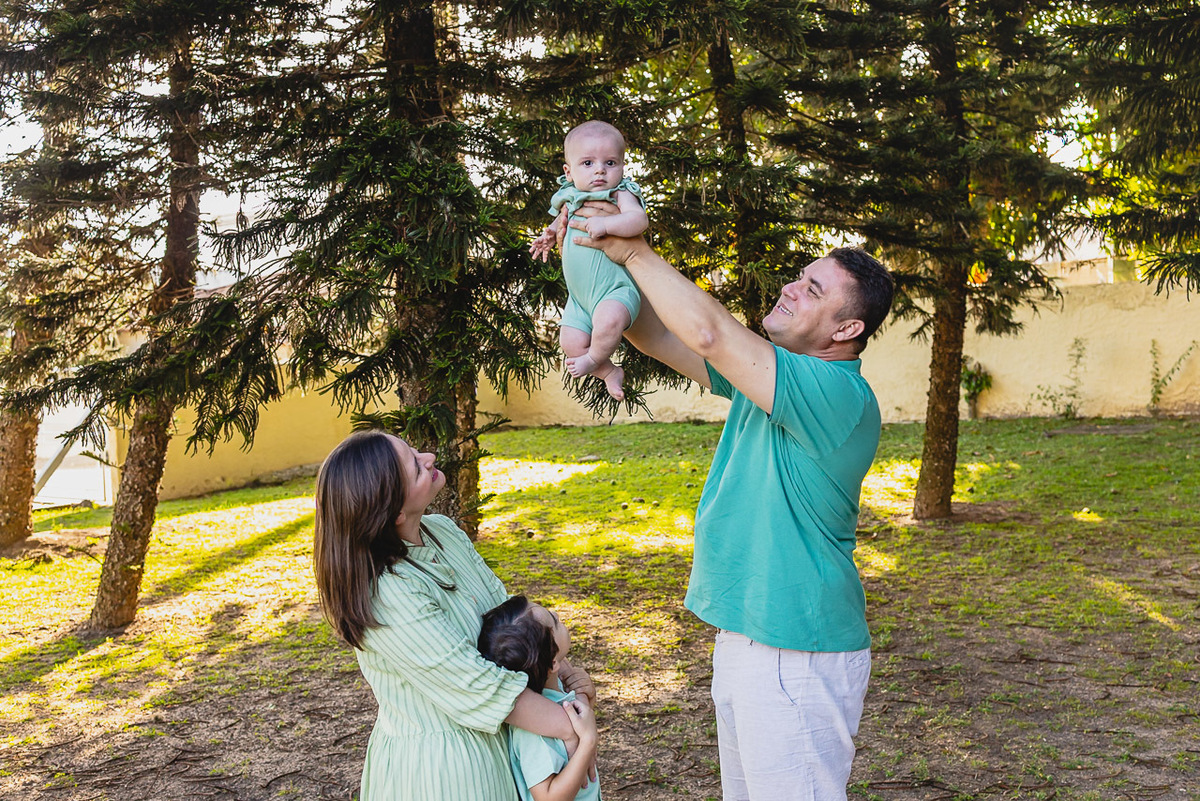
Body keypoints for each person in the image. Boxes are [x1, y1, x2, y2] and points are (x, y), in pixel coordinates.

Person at [567, 211, 896, 801]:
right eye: (801, 275)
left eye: (813, 289)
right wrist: (591, 255)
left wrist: (636, 252)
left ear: (846, 328)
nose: (791, 287)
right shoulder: (771, 380)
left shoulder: (834, 392)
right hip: (748, 632)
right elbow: (659, 336)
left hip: (797, 646)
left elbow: (710, 333)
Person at [313, 430, 596, 801]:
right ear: (394, 512)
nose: (428, 456)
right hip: (446, 773)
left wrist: (565, 672)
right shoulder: (387, 592)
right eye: (415, 467)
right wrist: (573, 724)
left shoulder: (442, 531)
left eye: (415, 451)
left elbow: (513, 622)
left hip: (503, 747)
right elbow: (474, 684)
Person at [529, 120, 649, 402]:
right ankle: (608, 371)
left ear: (622, 166)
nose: (599, 170)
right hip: (579, 299)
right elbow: (562, 221)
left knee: (608, 322)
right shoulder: (571, 196)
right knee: (570, 342)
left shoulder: (621, 193)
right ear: (568, 172)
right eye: (587, 163)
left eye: (610, 162)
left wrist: (608, 225)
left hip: (615, 291)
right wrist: (549, 233)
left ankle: (595, 356)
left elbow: (637, 220)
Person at [479, 596, 601, 801]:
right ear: (553, 662)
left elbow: (582, 720)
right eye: (554, 621)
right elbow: (547, 797)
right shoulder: (533, 731)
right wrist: (588, 742)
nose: (557, 614)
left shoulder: (555, 691)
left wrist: (585, 694)